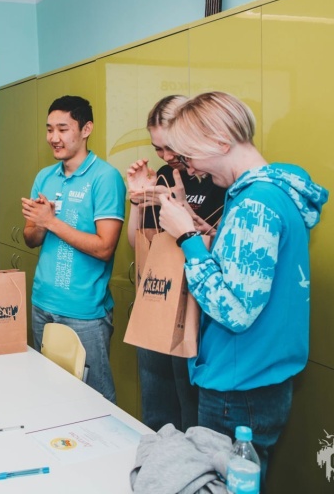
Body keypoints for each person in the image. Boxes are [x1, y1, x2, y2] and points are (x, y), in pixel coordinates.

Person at [157, 91, 328, 483]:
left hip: (239, 386)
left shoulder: (254, 204)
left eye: (190, 156)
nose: (191, 168)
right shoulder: (276, 193)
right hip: (264, 376)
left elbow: (235, 310)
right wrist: (212, 237)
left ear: (220, 142)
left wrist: (187, 239)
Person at [125, 95, 226, 432]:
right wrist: (137, 200)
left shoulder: (217, 176)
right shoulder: (166, 175)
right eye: (158, 149)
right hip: (158, 297)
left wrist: (185, 212)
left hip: (197, 307)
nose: (167, 157)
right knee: (157, 412)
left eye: (171, 147)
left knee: (192, 416)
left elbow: (221, 249)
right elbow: (140, 244)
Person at [22, 95, 126, 402]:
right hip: (42, 303)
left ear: (86, 129)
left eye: (63, 129)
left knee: (94, 401)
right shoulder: (45, 177)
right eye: (49, 129)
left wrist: (51, 222)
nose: (53, 137)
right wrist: (41, 223)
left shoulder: (105, 178)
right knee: (50, 397)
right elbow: (30, 238)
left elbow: (105, 247)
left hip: (84, 312)